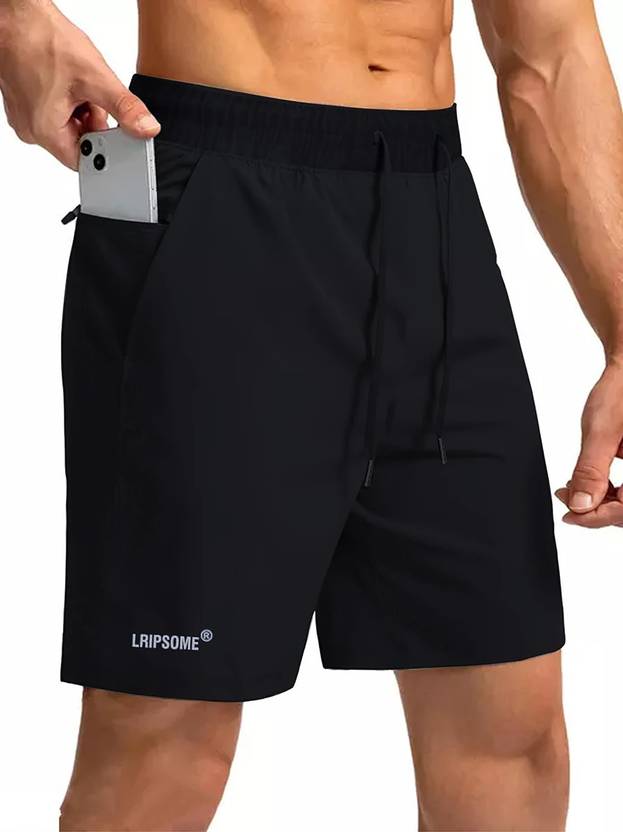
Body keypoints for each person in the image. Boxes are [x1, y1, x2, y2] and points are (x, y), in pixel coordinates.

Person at [1, 0, 622, 829]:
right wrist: (16, 21)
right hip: (215, 196)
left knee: (508, 725)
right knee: (167, 730)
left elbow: (546, 51)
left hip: (434, 224)